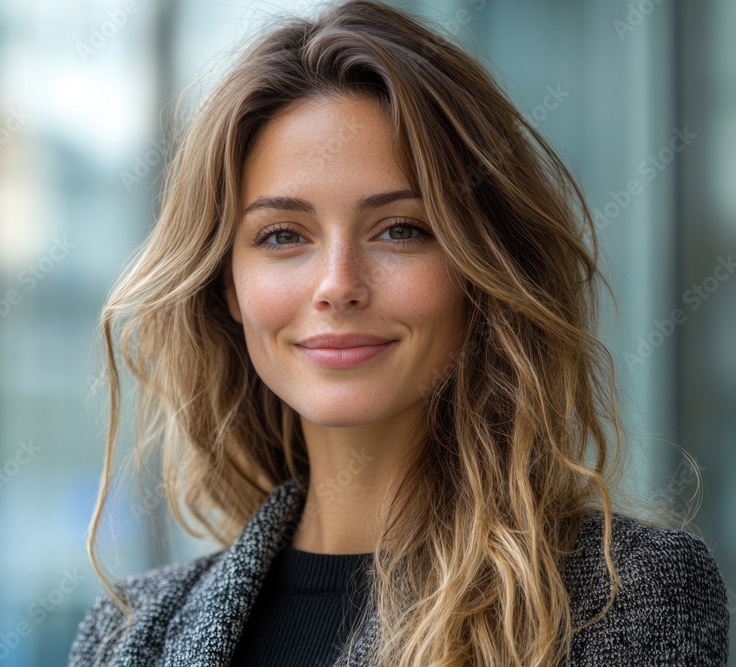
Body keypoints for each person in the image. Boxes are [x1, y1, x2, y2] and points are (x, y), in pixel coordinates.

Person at [67, 1, 730, 665]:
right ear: (229, 289)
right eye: (282, 235)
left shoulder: (624, 595)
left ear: (482, 267)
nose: (337, 283)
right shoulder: (130, 632)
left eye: (400, 230)